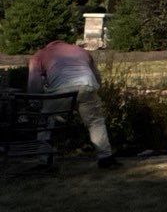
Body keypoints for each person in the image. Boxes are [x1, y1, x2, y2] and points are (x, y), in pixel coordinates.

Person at [28, 40, 118, 168]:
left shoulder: (39, 55)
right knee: (95, 122)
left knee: (46, 122)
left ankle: (44, 160)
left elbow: (34, 85)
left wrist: (34, 102)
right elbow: (96, 76)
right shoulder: (81, 51)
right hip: (87, 85)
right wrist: (95, 90)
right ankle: (105, 158)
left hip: (61, 90)